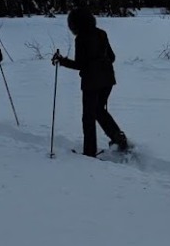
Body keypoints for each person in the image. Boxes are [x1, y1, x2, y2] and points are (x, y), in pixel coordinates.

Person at [52, 8, 128, 156]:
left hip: (91, 82)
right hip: (108, 79)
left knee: (88, 117)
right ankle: (118, 139)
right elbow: (112, 57)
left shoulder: (81, 39)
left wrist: (62, 61)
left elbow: (80, 65)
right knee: (99, 110)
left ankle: (89, 152)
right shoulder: (101, 33)